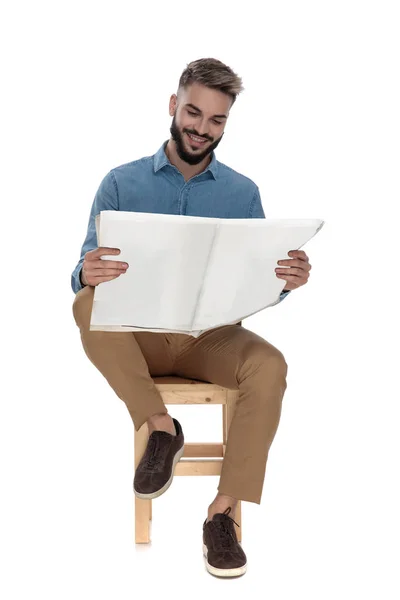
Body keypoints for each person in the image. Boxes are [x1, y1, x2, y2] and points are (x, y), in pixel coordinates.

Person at [71, 57, 312, 578]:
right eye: (194, 112)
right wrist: (87, 271)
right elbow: (84, 270)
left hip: (212, 337)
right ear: (173, 105)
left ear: (227, 123)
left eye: (217, 120)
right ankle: (161, 426)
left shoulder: (242, 193)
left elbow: (257, 284)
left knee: (270, 365)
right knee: (84, 304)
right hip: (142, 334)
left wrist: (284, 281)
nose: (202, 128)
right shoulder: (121, 182)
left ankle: (221, 515)